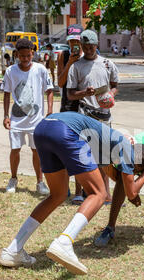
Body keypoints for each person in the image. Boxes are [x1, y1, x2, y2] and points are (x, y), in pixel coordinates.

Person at [0, 111, 144, 275]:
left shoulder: (108, 146)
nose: (131, 173)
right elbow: (131, 193)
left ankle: (13, 250)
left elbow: (113, 175)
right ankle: (64, 242)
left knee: (57, 195)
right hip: (66, 130)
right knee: (99, 194)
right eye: (134, 171)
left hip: (43, 129)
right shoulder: (127, 150)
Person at [67, 29, 119, 205]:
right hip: (85, 114)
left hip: (104, 116)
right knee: (82, 153)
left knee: (104, 157)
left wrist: (110, 96)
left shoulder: (107, 64)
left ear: (97, 45)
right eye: (86, 47)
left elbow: (115, 85)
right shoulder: (76, 67)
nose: (89, 50)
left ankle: (105, 194)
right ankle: (79, 193)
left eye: (92, 46)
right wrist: (84, 92)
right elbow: (70, 94)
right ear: (81, 46)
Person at [1, 38, 53, 196]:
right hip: (16, 120)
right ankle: (13, 179)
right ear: (16, 55)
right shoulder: (11, 71)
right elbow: (6, 94)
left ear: (33, 54)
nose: (25, 59)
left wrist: (49, 110)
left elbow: (49, 90)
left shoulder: (40, 70)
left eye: (28, 56)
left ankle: (39, 181)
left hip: (36, 120)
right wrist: (5, 116)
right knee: (15, 149)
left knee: (37, 151)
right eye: (22, 56)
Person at [57, 24, 85, 205]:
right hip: (67, 107)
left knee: (82, 150)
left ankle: (79, 190)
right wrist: (69, 63)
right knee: (66, 149)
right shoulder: (64, 55)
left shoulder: (89, 55)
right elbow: (60, 82)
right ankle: (65, 187)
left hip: (84, 107)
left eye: (77, 41)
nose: (74, 44)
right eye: (71, 41)